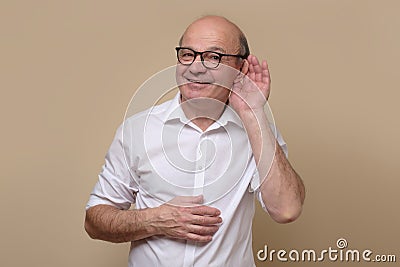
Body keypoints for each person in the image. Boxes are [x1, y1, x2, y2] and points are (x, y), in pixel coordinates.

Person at [85, 15, 305, 266]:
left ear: (241, 69)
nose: (196, 67)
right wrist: (155, 220)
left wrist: (252, 112)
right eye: (188, 54)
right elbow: (94, 221)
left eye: (213, 57)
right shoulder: (137, 130)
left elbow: (287, 210)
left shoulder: (257, 131)